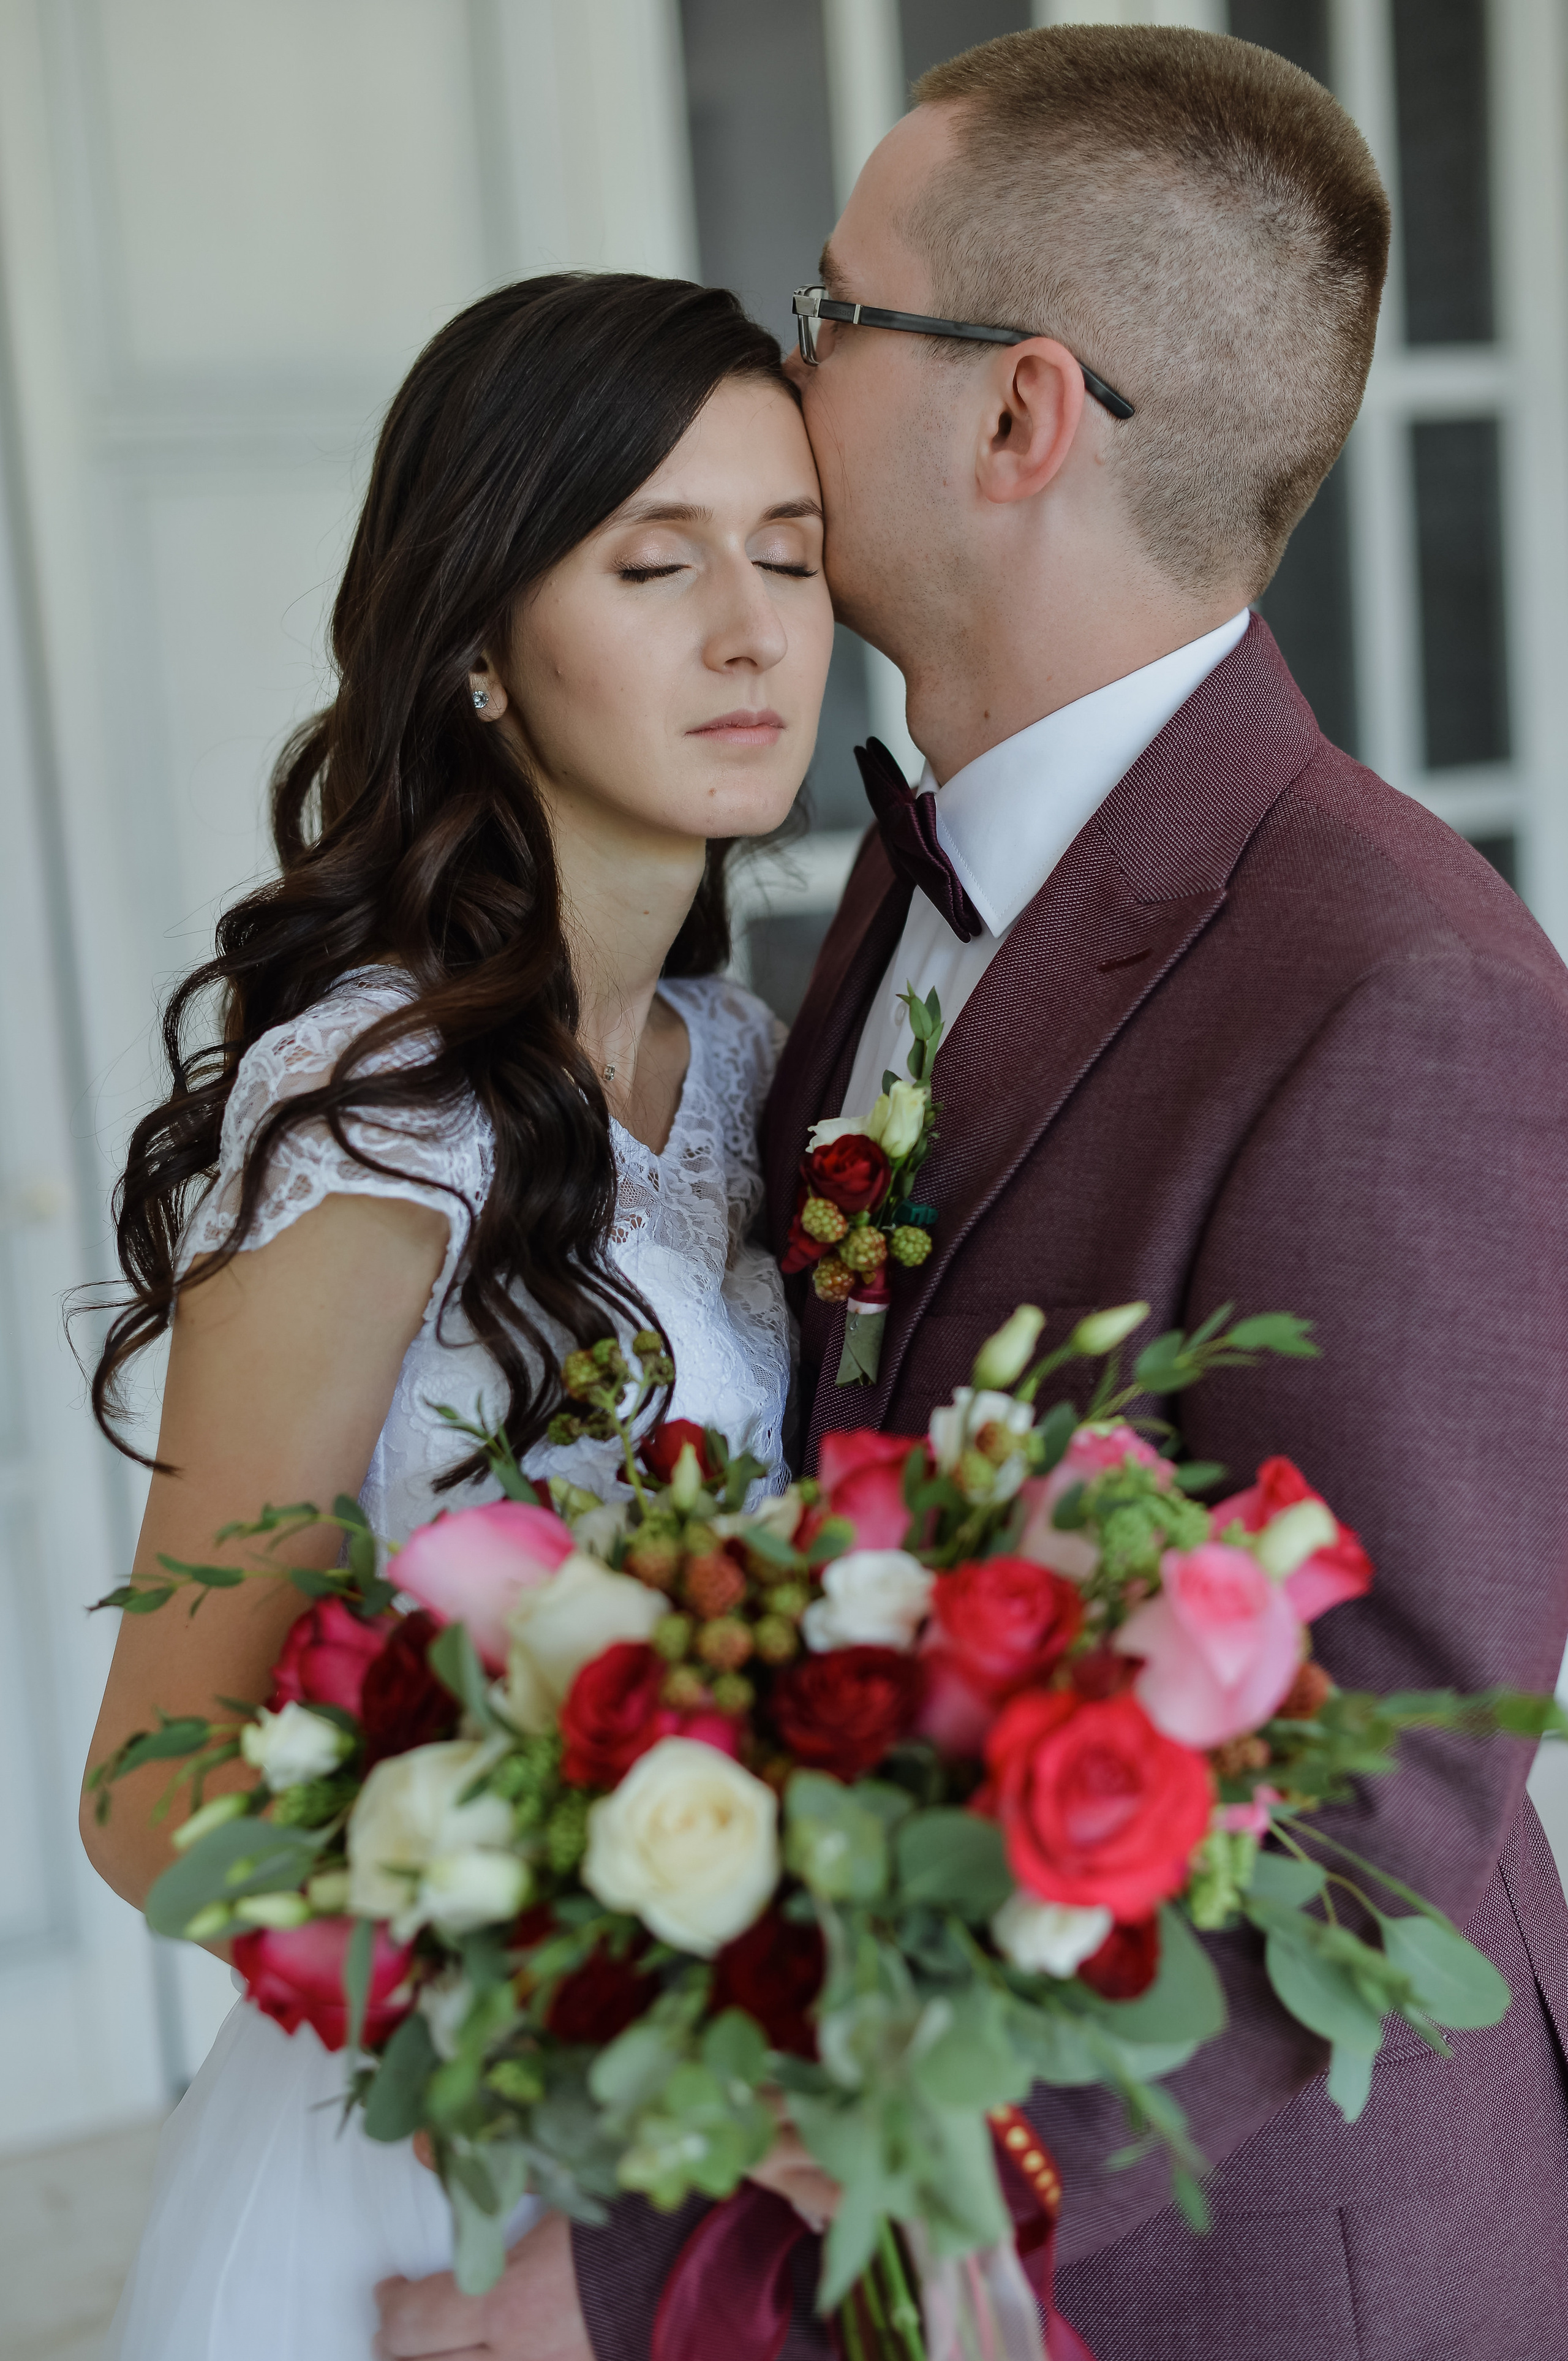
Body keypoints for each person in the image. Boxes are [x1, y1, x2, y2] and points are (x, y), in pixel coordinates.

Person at [364, 27, 1568, 2361]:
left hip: (1258, 2270)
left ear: (1016, 418)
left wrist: (706, 2257)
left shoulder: (1404, 984)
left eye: (831, 315)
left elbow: (1388, 1775)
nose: (778, 371)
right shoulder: (903, 882)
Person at [80, 271, 835, 2361]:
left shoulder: (757, 1065)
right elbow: (150, 1790)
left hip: (707, 2149)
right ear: (486, 645)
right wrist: (587, 2033)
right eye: (655, 562)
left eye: (792, 553)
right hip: (419, 2163)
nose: (754, 629)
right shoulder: (376, 1116)